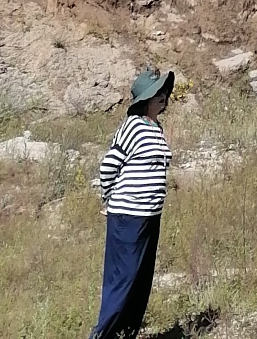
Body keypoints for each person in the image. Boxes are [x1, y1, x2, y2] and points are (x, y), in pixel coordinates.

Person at [88, 66, 175, 339]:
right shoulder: (132, 126)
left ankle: (125, 333)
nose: (162, 97)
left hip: (150, 215)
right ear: (144, 100)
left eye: (163, 92)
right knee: (123, 278)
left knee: (141, 279)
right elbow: (109, 166)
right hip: (128, 215)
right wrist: (110, 197)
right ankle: (102, 334)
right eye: (156, 93)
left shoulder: (155, 128)